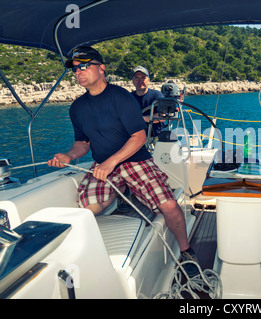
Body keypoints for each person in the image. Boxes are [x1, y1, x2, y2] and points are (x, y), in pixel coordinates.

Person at [48, 46, 199, 277]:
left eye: (85, 66)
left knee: (168, 205)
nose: (79, 72)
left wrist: (111, 162)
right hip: (103, 165)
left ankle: (187, 251)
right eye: (76, 69)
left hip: (134, 160)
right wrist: (69, 156)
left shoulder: (120, 97)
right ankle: (83, 251)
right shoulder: (76, 108)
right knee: (89, 208)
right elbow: (83, 143)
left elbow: (138, 137)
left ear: (101, 69)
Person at [130, 66, 167, 138]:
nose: (140, 80)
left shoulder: (157, 95)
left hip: (156, 136)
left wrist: (140, 119)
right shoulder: (128, 98)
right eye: (136, 78)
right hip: (135, 138)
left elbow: (162, 117)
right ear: (133, 81)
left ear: (148, 80)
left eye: (143, 77)